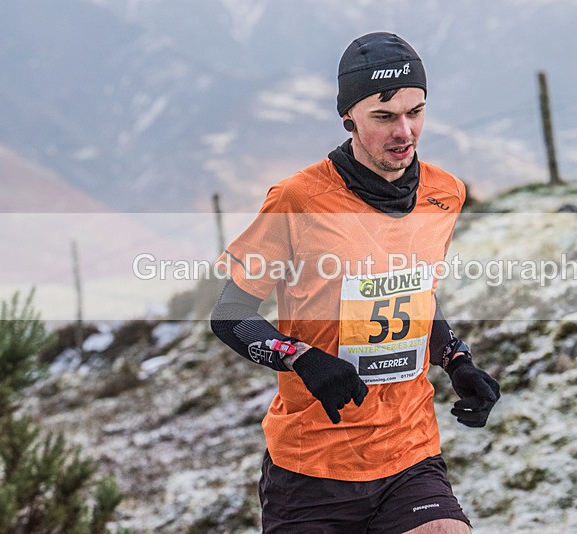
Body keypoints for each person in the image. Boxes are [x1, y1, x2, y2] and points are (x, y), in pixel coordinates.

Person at [211, 32, 500, 533]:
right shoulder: (297, 199)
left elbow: (413, 298)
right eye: (384, 117)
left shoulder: (444, 193)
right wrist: (302, 358)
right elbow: (230, 315)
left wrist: (457, 360)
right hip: (312, 468)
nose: (405, 131)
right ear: (349, 119)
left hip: (409, 455)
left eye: (416, 111)